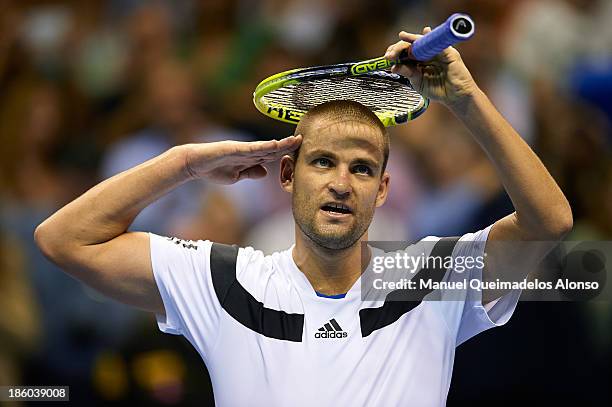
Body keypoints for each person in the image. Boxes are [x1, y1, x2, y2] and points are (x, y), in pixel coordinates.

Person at [35, 27, 572, 406]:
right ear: (287, 174)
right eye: (323, 162)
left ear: (383, 191)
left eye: (362, 169)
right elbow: (64, 240)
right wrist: (186, 162)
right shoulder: (224, 280)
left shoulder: (429, 278)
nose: (341, 182)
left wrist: (466, 99)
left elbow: (550, 221)